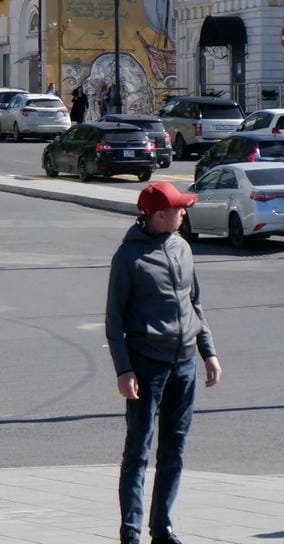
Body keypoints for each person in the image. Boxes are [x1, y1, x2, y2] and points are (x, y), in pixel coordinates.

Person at [106, 182, 221, 544]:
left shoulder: (183, 247)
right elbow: (114, 319)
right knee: (138, 450)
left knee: (174, 448)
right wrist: (124, 369)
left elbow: (194, 304)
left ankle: (163, 527)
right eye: (178, 209)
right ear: (158, 215)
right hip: (147, 365)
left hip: (184, 362)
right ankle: (131, 531)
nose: (184, 213)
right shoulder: (128, 257)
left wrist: (209, 352)